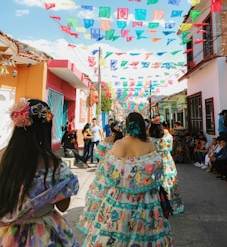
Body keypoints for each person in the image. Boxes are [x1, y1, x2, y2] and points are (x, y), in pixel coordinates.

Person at [82, 112, 173, 246]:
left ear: (127, 125)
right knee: (147, 232)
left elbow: (107, 172)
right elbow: (158, 172)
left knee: (118, 232)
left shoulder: (119, 145)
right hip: (147, 199)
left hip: (121, 198)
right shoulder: (150, 145)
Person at [0, 98, 79, 246]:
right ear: (46, 129)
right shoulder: (55, 164)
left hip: (7, 234)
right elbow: (63, 206)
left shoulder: (2, 158)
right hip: (44, 235)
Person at [77, 121, 124, 235]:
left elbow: (99, 155)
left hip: (104, 172)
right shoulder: (123, 142)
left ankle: (97, 220)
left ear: (111, 130)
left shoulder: (107, 141)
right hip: (118, 173)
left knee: (99, 194)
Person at [149, 119, 184, 215]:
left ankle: (158, 206)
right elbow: (168, 134)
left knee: (155, 185)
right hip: (167, 163)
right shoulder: (168, 137)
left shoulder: (149, 140)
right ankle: (174, 205)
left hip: (154, 163)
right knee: (170, 184)